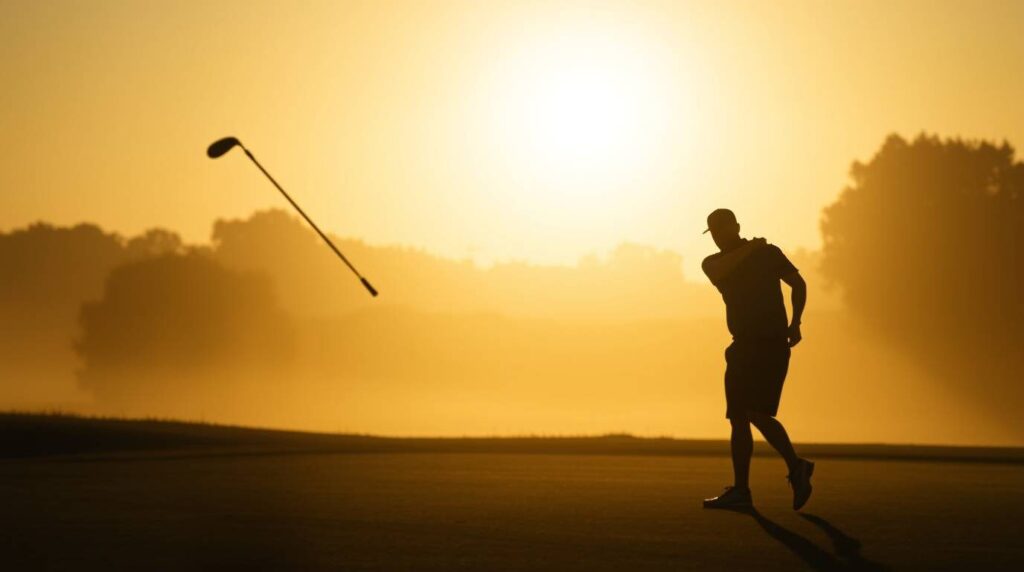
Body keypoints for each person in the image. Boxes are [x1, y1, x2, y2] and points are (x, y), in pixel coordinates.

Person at [699, 208, 814, 511]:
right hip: (741, 347)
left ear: (735, 226)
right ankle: (742, 490)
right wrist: (751, 246)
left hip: (771, 344)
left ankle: (794, 466)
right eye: (715, 234)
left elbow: (798, 285)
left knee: (757, 414)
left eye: (723, 231)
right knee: (738, 417)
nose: (719, 239)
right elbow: (726, 267)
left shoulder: (768, 253)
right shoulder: (713, 263)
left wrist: (796, 322)